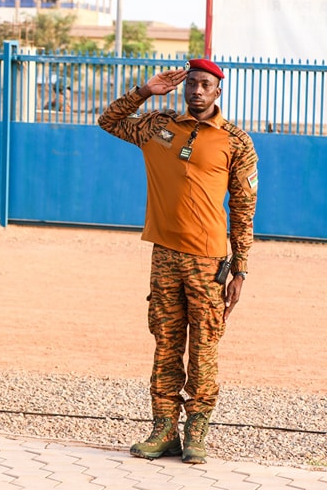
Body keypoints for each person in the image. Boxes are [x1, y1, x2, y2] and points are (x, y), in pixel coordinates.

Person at [97, 59, 258, 464]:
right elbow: (108, 120)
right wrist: (145, 91)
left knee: (204, 345)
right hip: (164, 255)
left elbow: (243, 207)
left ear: (218, 92)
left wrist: (240, 268)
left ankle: (196, 433)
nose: (197, 91)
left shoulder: (235, 141)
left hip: (208, 261)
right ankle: (164, 429)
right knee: (166, 342)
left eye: (205, 85)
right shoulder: (158, 126)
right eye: (192, 84)